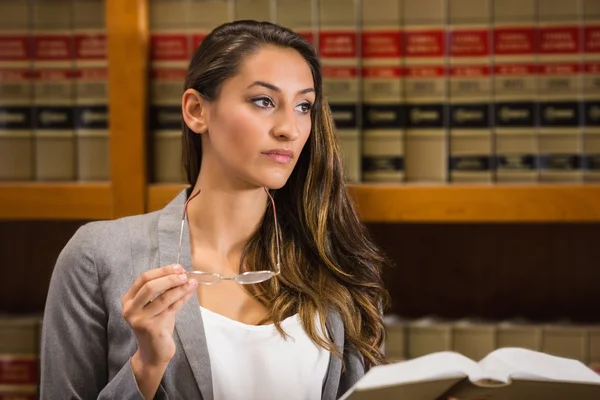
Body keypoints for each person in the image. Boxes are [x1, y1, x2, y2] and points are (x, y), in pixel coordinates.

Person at [40, 20, 390, 400]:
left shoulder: (334, 263)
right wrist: (147, 366)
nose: (290, 127)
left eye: (304, 105)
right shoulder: (98, 256)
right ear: (196, 111)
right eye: (264, 101)